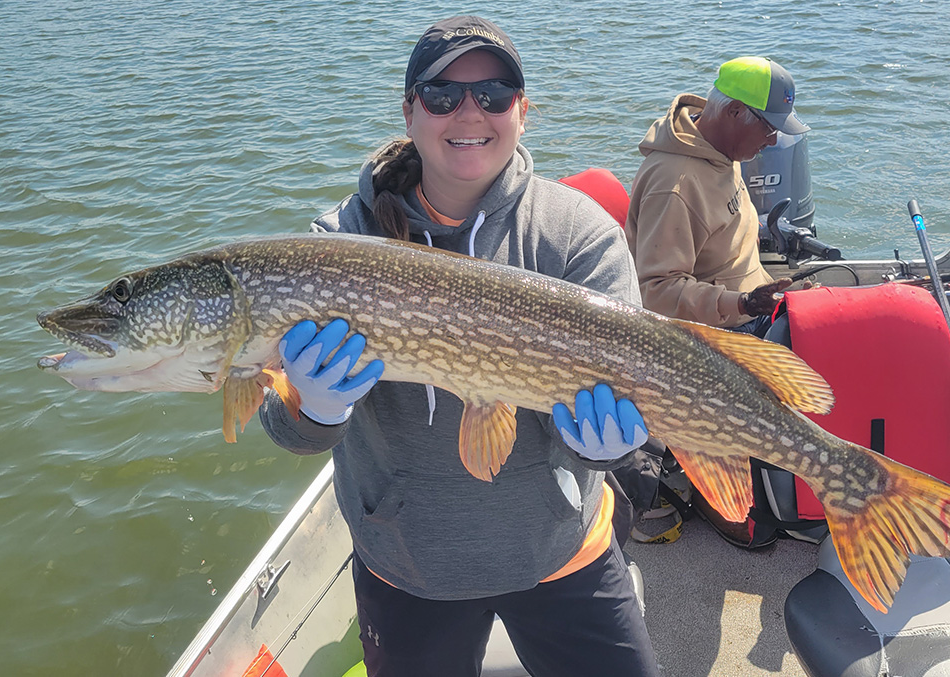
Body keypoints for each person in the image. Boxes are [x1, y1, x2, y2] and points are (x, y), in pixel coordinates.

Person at [259, 16, 659, 677]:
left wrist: (614, 445)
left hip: (562, 551)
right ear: (411, 111)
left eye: (494, 94)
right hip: (408, 567)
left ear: (522, 112)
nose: (469, 111)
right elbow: (289, 430)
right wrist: (315, 407)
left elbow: (643, 391)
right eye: (443, 95)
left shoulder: (577, 235)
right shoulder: (336, 243)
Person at [625, 56, 811, 336]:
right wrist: (743, 303)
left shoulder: (722, 150)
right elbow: (655, 292)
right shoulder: (675, 185)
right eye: (770, 128)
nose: (773, 141)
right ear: (735, 111)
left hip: (751, 306)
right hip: (718, 333)